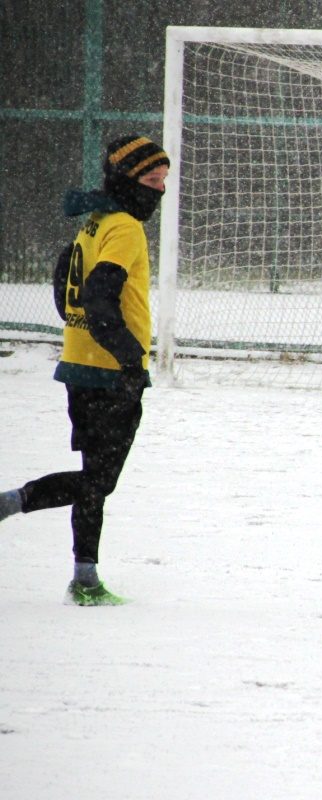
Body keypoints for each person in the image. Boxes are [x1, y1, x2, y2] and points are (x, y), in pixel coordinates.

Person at [0, 135, 170, 606]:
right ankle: (12, 503)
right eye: (151, 180)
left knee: (92, 477)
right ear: (126, 180)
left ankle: (86, 579)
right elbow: (98, 297)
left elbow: (63, 283)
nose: (159, 190)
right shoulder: (125, 228)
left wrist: (79, 332)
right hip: (109, 371)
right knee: (99, 481)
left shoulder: (94, 223)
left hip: (78, 365)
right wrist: (129, 359)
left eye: (163, 181)